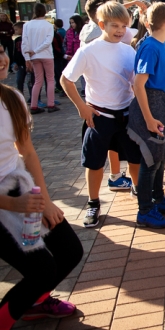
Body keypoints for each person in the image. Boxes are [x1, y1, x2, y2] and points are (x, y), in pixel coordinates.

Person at [0, 45, 84, 326]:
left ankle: (35, 302)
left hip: (19, 190)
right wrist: (11, 204)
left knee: (70, 251)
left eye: (1, 50)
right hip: (5, 203)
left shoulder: (12, 98)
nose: (1, 59)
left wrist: (45, 200)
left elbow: (27, 151)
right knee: (42, 270)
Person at [61, 2, 142, 228]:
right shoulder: (88, 50)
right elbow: (66, 79)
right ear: (101, 24)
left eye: (123, 26)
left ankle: (140, 195)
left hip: (127, 115)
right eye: (114, 25)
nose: (119, 30)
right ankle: (93, 202)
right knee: (94, 163)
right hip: (99, 116)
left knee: (135, 158)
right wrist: (81, 107)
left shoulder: (129, 49)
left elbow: (135, 82)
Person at [128, 3, 165, 228]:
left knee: (161, 156)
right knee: (151, 159)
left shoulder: (160, 44)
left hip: (161, 101)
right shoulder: (151, 46)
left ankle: (158, 199)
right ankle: (145, 210)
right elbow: (139, 84)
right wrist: (149, 118)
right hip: (150, 106)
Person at [22, 4, 58, 115]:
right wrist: (36, 50)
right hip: (46, 55)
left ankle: (33, 105)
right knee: (50, 79)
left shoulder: (27, 25)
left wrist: (28, 57)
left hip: (34, 56)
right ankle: (51, 104)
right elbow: (48, 41)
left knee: (37, 81)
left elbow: (25, 42)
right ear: (45, 11)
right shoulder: (48, 25)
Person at [11, 22, 27, 97]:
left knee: (30, 81)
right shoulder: (17, 39)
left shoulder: (28, 38)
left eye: (16, 30)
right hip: (20, 64)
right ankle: (20, 96)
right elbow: (15, 52)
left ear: (22, 29)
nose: (15, 31)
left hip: (28, 62)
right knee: (19, 80)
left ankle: (33, 97)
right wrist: (15, 62)